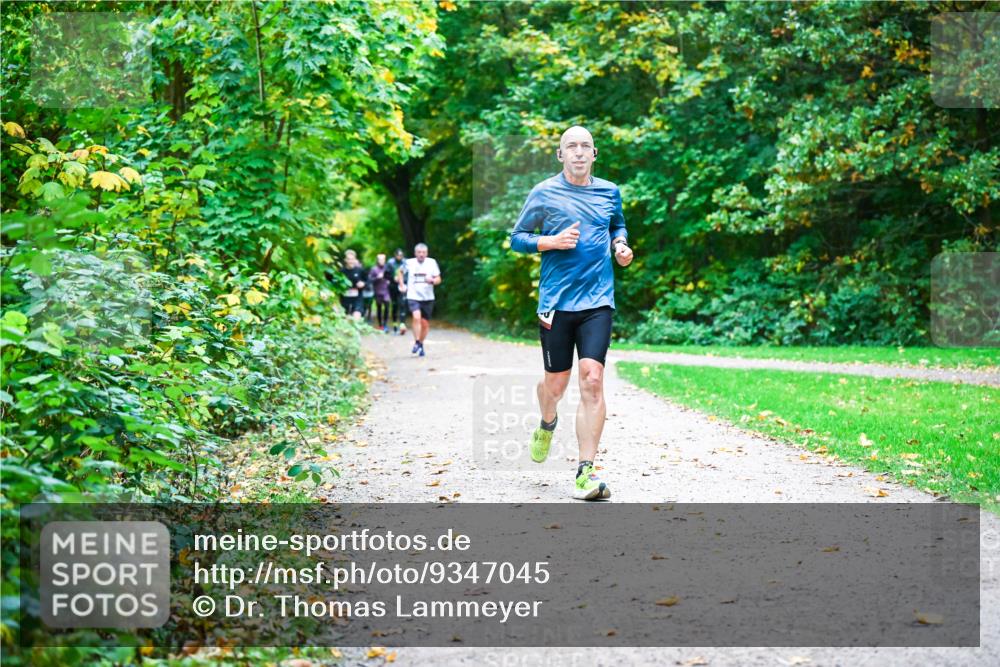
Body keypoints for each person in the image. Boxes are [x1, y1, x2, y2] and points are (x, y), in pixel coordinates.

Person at [508, 125, 634, 500]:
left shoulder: (609, 191)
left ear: (595, 154)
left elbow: (617, 224)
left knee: (592, 379)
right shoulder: (543, 192)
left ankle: (585, 471)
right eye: (571, 147)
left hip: (598, 300)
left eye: (585, 146)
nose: (578, 152)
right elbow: (517, 238)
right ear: (560, 155)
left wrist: (621, 244)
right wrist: (550, 241)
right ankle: (547, 422)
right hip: (556, 302)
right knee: (555, 385)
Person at [403, 243, 441, 357]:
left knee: (425, 323)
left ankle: (420, 343)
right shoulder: (409, 262)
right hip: (413, 295)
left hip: (428, 297)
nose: (421, 254)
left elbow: (439, 278)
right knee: (416, 317)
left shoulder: (432, 262)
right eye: (419, 252)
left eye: (423, 252)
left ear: (427, 253)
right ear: (415, 253)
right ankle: (416, 342)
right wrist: (401, 284)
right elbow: (399, 272)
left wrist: (433, 281)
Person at [369, 253, 393, 332]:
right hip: (378, 291)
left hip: (386, 291)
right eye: (380, 259)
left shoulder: (387, 268)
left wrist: (389, 281)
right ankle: (380, 325)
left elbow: (391, 277)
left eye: (383, 259)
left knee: (387, 307)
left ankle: (385, 324)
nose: (382, 261)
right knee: (379, 308)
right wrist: (377, 278)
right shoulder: (374, 269)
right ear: (377, 260)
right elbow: (370, 280)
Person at [386, 248, 407, 335]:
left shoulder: (405, 263)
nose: (399, 257)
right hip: (393, 287)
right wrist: (393, 278)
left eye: (401, 255)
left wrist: (403, 280)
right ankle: (394, 324)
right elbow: (386, 275)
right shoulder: (390, 263)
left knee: (403, 303)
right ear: (395, 255)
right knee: (394, 305)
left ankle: (402, 324)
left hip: (403, 286)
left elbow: (408, 274)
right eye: (398, 255)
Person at [339, 253, 366, 319]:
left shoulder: (360, 270)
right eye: (349, 259)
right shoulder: (341, 271)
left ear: (355, 260)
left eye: (352, 259)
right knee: (346, 319)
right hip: (345, 298)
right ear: (345, 260)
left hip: (357, 298)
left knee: (356, 317)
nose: (350, 261)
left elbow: (367, 280)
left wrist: (363, 283)